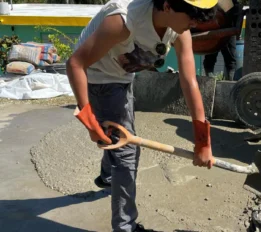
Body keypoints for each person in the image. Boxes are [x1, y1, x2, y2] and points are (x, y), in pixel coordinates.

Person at [65, 0, 217, 231]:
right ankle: (125, 227)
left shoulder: (179, 28)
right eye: (192, 17)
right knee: (127, 154)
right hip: (98, 75)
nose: (195, 24)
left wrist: (203, 142)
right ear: (167, 5)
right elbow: (76, 63)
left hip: (124, 75)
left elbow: (189, 81)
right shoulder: (123, 21)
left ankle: (107, 175)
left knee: (119, 138)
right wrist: (90, 123)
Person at [202, 0, 240, 80]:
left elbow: (236, 9)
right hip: (214, 28)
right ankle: (209, 80)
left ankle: (229, 81)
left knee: (230, 60)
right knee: (210, 57)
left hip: (227, 29)